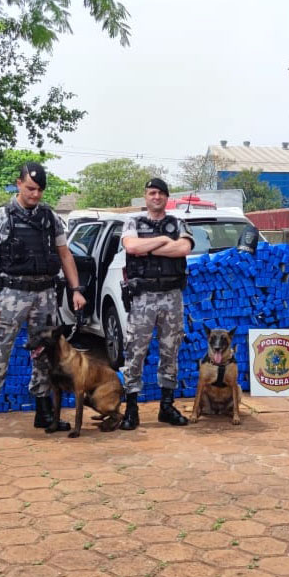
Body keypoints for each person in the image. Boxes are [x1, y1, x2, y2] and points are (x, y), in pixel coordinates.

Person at [0, 162, 87, 442]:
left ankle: (43, 412)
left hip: (45, 293)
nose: (35, 194)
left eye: (40, 190)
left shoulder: (50, 218)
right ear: (19, 183)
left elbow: (65, 255)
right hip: (12, 294)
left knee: (46, 355)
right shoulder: (0, 217)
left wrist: (76, 289)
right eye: (31, 188)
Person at [119, 177, 193, 430]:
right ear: (146, 196)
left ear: (167, 197)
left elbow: (182, 249)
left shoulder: (178, 223)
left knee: (170, 350)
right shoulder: (133, 222)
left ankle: (167, 406)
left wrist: (148, 247)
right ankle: (131, 408)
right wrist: (163, 241)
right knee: (135, 351)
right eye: (152, 193)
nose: (156, 197)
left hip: (172, 296)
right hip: (143, 297)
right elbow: (131, 246)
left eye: (161, 193)